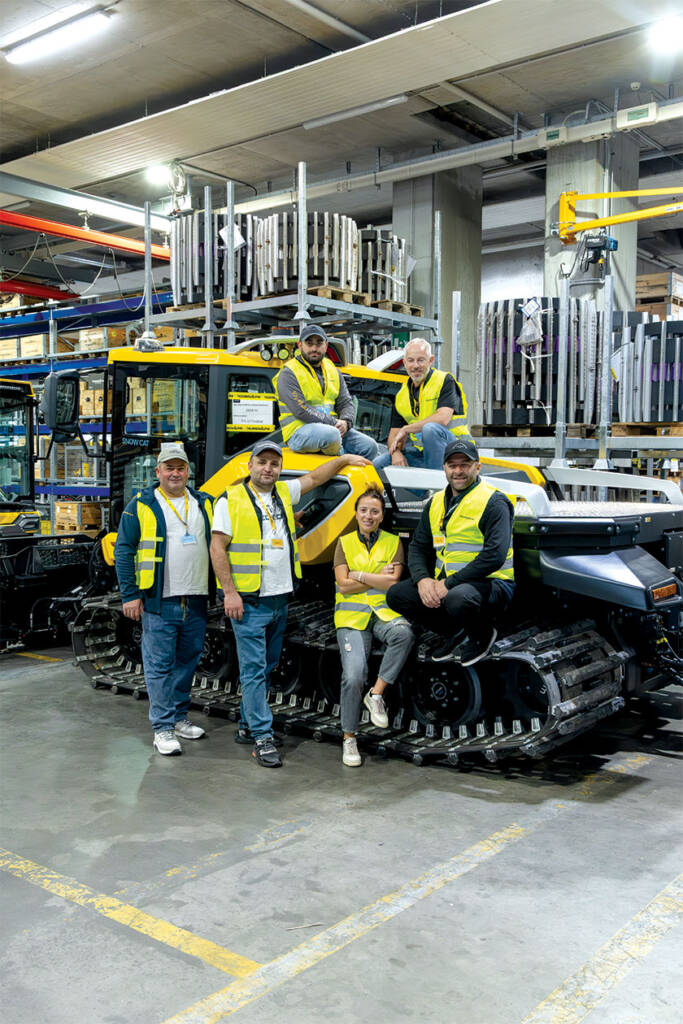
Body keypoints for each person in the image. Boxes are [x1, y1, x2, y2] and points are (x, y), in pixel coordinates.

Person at [210, 439, 370, 768]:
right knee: (254, 672)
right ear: (250, 465)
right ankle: (262, 737)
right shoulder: (232, 499)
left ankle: (246, 724)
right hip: (249, 600)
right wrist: (229, 592)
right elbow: (217, 548)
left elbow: (314, 479)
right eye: (262, 462)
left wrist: (343, 461)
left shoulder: (282, 493)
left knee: (265, 668)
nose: (268, 468)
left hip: (279, 597)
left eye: (274, 463)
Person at [115, 443, 215, 756]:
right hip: (159, 602)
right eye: (168, 468)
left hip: (195, 599)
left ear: (188, 472)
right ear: (158, 472)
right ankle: (162, 727)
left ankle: (179, 717)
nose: (175, 473)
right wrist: (130, 594)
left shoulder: (205, 503)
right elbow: (123, 550)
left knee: (187, 662)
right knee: (159, 666)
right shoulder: (141, 503)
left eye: (180, 468)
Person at [386, 438, 515, 666]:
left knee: (458, 597)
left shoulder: (494, 501)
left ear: (478, 466)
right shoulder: (435, 502)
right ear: (444, 468)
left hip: (492, 584)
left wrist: (448, 584)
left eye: (465, 464)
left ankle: (481, 634)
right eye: (452, 465)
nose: (458, 471)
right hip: (449, 582)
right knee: (397, 595)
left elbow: (494, 556)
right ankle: (454, 632)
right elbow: (418, 547)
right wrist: (423, 580)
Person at [334, 488, 414, 767]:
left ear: (382, 516)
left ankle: (376, 694)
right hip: (351, 618)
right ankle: (349, 738)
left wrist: (359, 575)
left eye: (375, 511)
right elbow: (342, 585)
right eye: (364, 510)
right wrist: (375, 577)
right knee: (354, 675)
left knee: (404, 634)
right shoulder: (344, 543)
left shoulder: (394, 542)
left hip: (382, 612)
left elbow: (392, 583)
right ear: (356, 513)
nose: (369, 515)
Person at [276, 324, 378, 459]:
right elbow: (300, 410)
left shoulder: (333, 370)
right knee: (331, 435)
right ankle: (340, 464)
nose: (314, 348)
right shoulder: (289, 372)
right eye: (309, 343)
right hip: (299, 432)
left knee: (370, 446)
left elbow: (346, 402)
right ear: (300, 345)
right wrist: (333, 423)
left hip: (332, 430)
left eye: (319, 343)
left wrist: (346, 422)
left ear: (326, 345)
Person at [373, 338, 471, 473]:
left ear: (430, 361)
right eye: (411, 360)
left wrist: (407, 429)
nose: (415, 366)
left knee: (430, 429)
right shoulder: (402, 395)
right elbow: (394, 436)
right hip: (424, 454)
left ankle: (438, 487)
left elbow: (442, 418)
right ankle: (425, 493)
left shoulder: (444, 380)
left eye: (421, 360)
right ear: (405, 363)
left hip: (456, 451)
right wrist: (396, 453)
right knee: (379, 464)